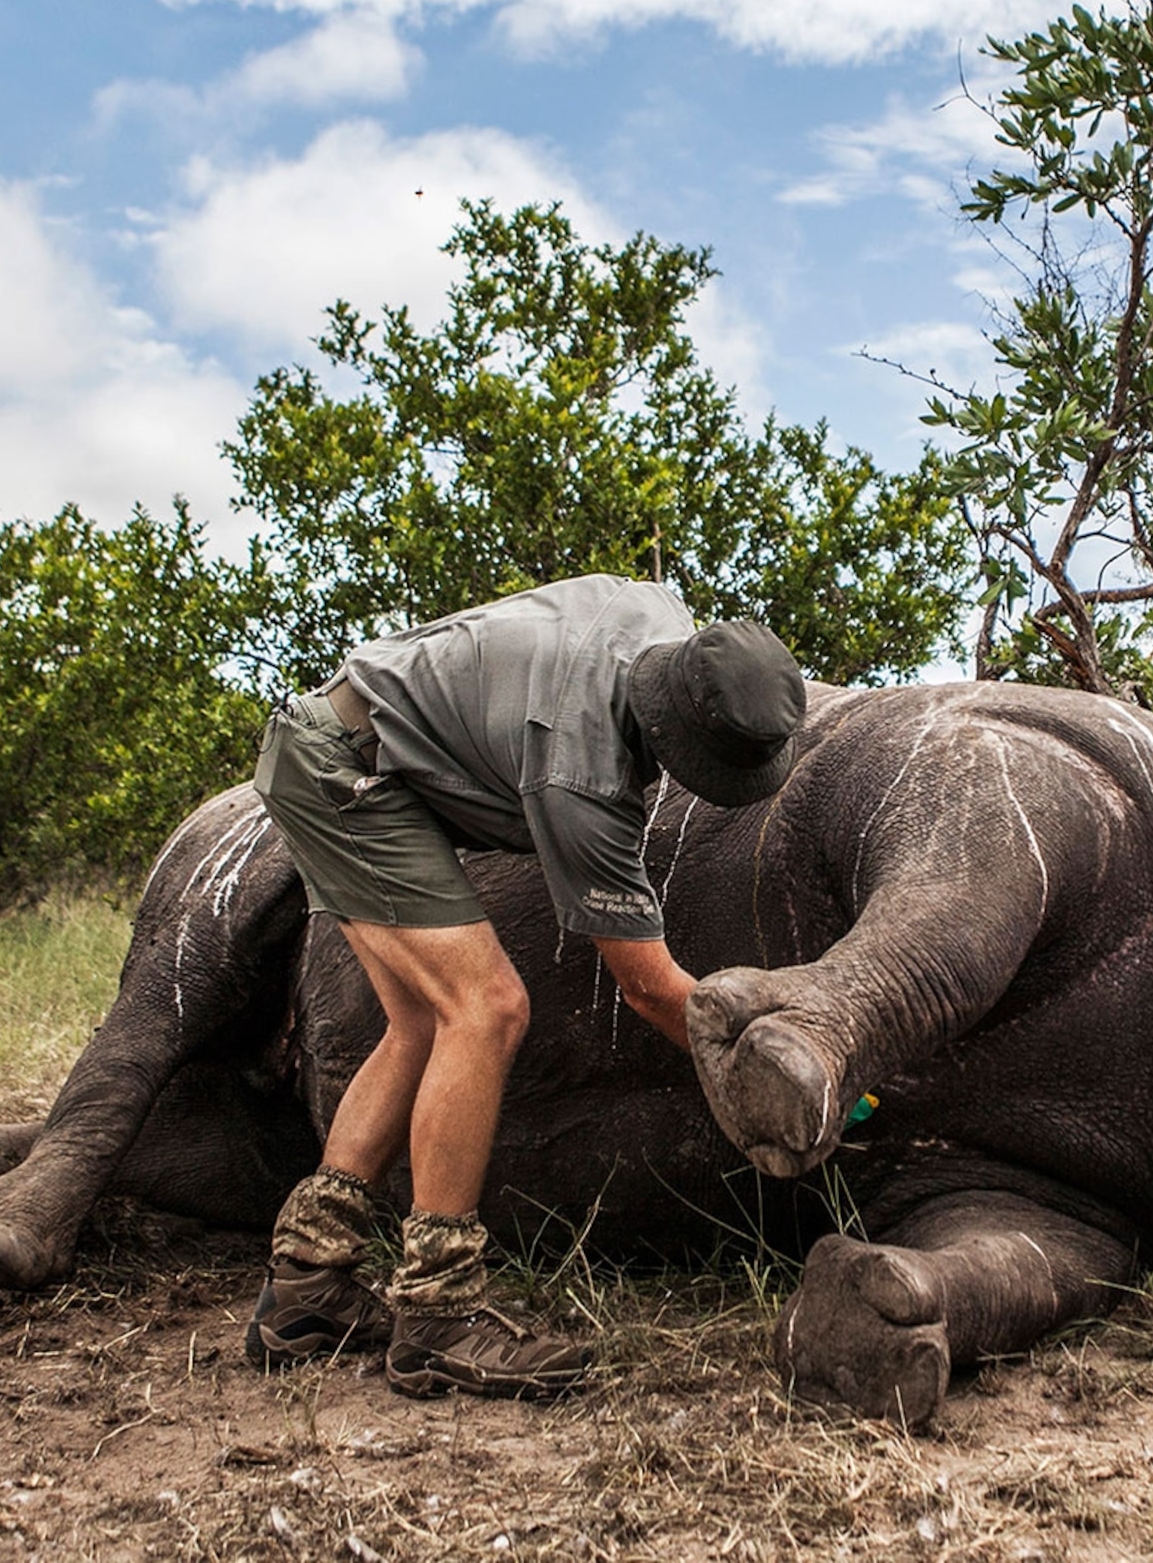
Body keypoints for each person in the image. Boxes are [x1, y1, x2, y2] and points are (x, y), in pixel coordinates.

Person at [240, 573, 807, 1396]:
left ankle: (305, 1284)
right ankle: (437, 1314)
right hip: (346, 773)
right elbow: (650, 988)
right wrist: (772, 1068)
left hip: (347, 742)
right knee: (487, 1008)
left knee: (421, 1025)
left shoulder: (662, 616)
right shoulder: (580, 773)